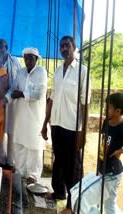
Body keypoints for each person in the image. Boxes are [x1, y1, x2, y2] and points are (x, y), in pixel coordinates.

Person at [41, 36, 90, 213]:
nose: (64, 48)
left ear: (74, 47)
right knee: (59, 161)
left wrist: (83, 132)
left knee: (73, 168)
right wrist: (45, 123)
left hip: (72, 128)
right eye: (61, 46)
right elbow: (52, 99)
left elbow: (85, 103)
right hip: (57, 125)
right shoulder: (58, 70)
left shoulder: (82, 72)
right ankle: (59, 193)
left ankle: (72, 203)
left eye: (67, 45)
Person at [6, 47, 47, 184]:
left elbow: (39, 93)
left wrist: (22, 94)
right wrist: (6, 99)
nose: (28, 60)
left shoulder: (41, 72)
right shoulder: (21, 72)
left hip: (35, 116)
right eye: (26, 58)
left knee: (34, 145)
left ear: (36, 59)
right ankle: (20, 170)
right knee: (20, 143)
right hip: (20, 114)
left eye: (31, 58)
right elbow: (13, 89)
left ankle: (33, 175)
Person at [0, 38, 22, 165]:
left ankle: (10, 162)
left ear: (7, 48)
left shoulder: (15, 61)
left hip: (12, 103)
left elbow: (21, 78)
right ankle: (1, 159)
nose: (1, 50)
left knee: (11, 132)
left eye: (3, 47)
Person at [97, 93, 123, 213]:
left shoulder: (122, 127)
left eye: (108, 107)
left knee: (109, 203)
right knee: (99, 198)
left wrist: (120, 151)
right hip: (102, 166)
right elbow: (103, 141)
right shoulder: (106, 122)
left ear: (118, 111)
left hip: (113, 171)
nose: (105, 109)